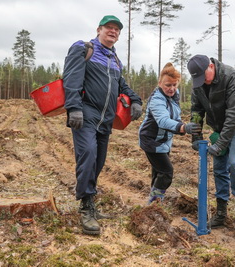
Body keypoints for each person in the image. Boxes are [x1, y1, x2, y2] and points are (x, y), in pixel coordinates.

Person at [63, 15, 143, 235]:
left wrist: (135, 100)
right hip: (85, 115)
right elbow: (71, 78)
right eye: (109, 27)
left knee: (98, 161)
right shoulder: (84, 49)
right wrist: (74, 108)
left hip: (105, 120)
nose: (113, 31)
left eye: (117, 29)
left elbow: (122, 86)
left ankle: (90, 201)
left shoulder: (115, 60)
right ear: (99, 29)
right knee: (87, 155)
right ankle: (85, 208)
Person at [187, 54, 235, 232]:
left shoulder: (230, 76)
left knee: (234, 164)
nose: (203, 82)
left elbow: (234, 114)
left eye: (203, 77)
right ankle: (222, 213)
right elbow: (197, 112)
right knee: (219, 169)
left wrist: (220, 144)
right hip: (218, 126)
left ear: (210, 66)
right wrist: (196, 137)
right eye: (198, 79)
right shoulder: (199, 84)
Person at [139, 63, 201, 204]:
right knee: (166, 173)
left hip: (164, 140)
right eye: (168, 85)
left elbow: (174, 115)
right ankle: (154, 201)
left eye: (174, 85)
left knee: (158, 172)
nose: (172, 89)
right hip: (151, 140)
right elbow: (163, 121)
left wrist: (180, 125)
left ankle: (155, 200)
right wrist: (183, 127)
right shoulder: (156, 100)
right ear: (160, 83)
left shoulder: (174, 96)